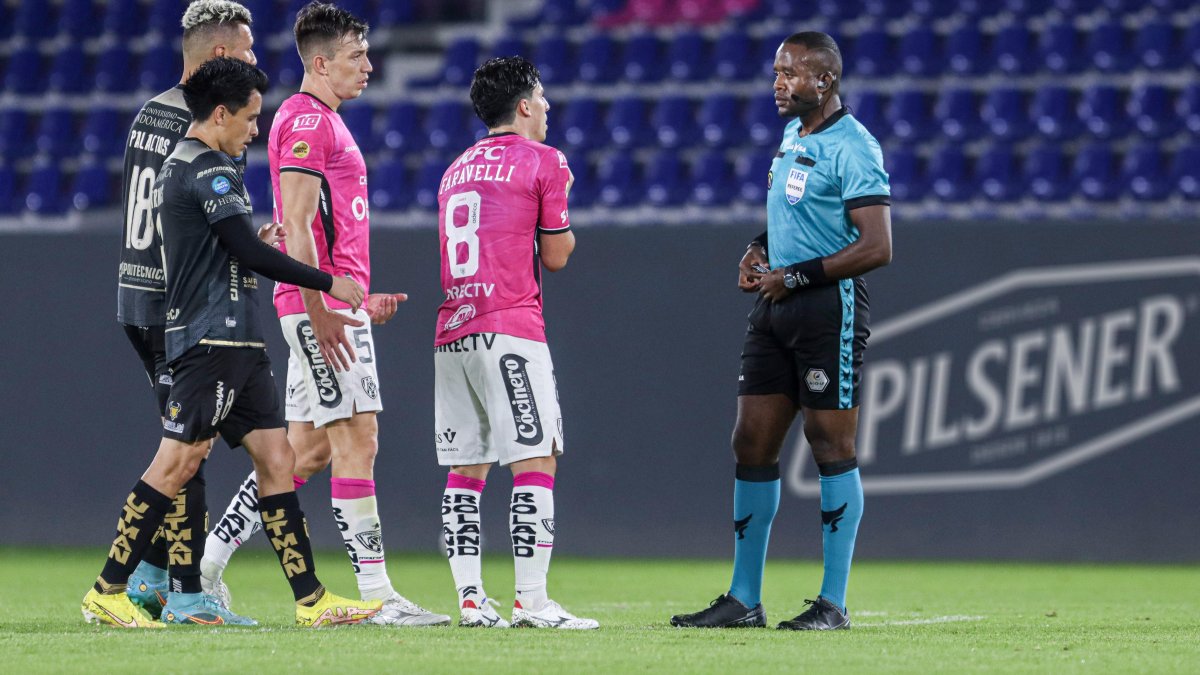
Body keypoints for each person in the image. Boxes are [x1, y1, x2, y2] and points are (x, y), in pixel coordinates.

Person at [82, 56, 379, 629]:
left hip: (241, 343)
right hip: (209, 342)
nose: (255, 129)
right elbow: (247, 251)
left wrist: (252, 238)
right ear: (219, 114)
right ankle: (108, 587)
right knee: (178, 461)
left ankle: (312, 599)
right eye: (249, 118)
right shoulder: (205, 169)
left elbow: (231, 246)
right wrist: (325, 279)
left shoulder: (204, 166)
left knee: (277, 458)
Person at [199, 1, 449, 627]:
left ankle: (207, 563)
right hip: (320, 308)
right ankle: (378, 595)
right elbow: (302, 228)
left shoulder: (313, 120)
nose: (368, 65)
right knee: (357, 438)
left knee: (302, 452)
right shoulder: (310, 122)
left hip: (332, 303)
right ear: (320, 62)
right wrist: (325, 311)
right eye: (356, 56)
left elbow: (302, 227)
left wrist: (358, 298)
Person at [670, 31, 892, 631]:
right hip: (775, 307)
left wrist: (794, 277)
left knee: (831, 446)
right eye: (776, 73)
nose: (778, 84)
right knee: (751, 442)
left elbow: (877, 246)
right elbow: (796, 215)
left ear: (825, 81)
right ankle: (744, 599)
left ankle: (834, 604)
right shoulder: (794, 135)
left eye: (790, 74)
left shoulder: (855, 146)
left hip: (829, 310)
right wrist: (759, 246)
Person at [115, 0, 266, 625]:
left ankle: (152, 575)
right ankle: (181, 593)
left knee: (187, 441)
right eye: (250, 52)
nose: (258, 62)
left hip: (135, 293)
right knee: (189, 445)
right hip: (179, 303)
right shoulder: (214, 126)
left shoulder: (150, 113)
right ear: (223, 56)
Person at [434, 56, 597, 630]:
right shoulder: (545, 161)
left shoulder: (455, 169)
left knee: (466, 467)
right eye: (543, 97)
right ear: (524, 105)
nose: (548, 107)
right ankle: (532, 601)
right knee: (535, 459)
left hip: (453, 330)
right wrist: (565, 211)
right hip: (510, 327)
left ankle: (472, 600)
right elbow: (555, 256)